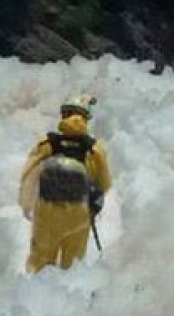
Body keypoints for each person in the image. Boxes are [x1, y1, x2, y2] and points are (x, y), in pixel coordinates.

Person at [18, 93, 112, 273]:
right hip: (79, 213)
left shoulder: (47, 143)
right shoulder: (93, 149)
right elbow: (104, 183)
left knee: (40, 260)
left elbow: (28, 173)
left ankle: (37, 287)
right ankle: (69, 286)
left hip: (47, 211)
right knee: (73, 263)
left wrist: (26, 203)